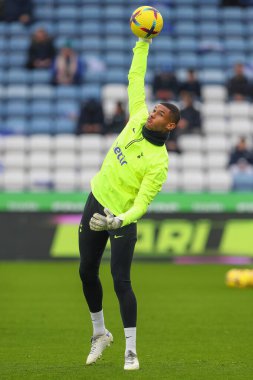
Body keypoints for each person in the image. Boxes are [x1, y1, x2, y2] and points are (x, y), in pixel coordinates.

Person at [78, 38, 180, 371]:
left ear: (170, 125)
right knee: (85, 271)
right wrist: (142, 42)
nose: (153, 113)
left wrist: (119, 220)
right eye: (155, 109)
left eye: (160, 114)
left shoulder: (159, 162)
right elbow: (135, 78)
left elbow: (142, 204)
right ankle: (99, 333)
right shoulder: (137, 115)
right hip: (96, 201)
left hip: (120, 219)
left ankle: (131, 350)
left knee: (121, 280)